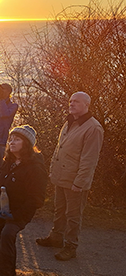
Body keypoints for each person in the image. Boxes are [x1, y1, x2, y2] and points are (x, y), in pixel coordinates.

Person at [36, 92, 104, 261]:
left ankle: (71, 246)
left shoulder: (93, 128)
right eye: (71, 101)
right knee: (59, 210)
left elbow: (89, 159)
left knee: (73, 216)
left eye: (76, 102)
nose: (72, 104)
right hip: (61, 176)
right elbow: (59, 149)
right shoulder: (69, 122)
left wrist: (80, 183)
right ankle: (56, 238)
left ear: (86, 105)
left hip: (75, 181)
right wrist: (53, 170)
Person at [0, 125, 47, 276]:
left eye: (17, 139)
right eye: (11, 139)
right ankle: (7, 271)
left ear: (27, 143)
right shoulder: (9, 161)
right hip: (2, 208)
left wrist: (16, 214)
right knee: (2, 237)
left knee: (7, 235)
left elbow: (37, 198)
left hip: (19, 211)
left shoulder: (35, 168)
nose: (12, 142)